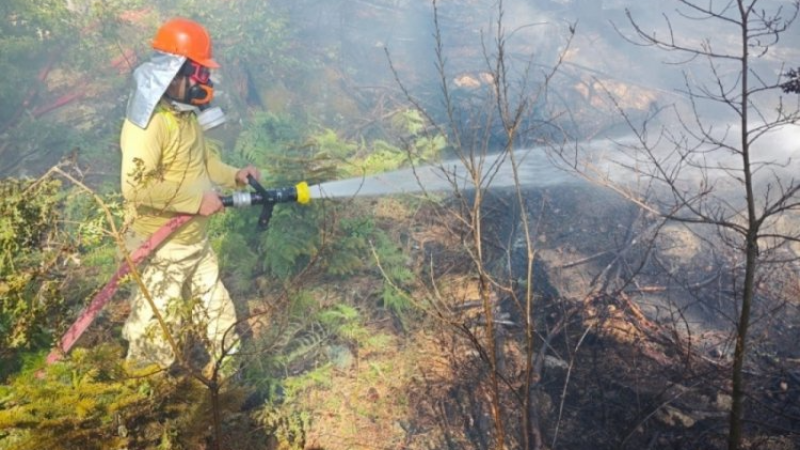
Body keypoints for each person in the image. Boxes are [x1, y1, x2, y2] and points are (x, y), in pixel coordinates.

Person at [119, 17, 258, 375]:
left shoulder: (185, 116)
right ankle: (145, 404)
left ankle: (231, 388)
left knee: (219, 316)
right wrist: (195, 201)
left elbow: (205, 162)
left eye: (203, 73)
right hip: (160, 248)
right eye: (197, 72)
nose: (204, 82)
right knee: (156, 335)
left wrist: (236, 176)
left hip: (195, 242)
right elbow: (136, 187)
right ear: (172, 74)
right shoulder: (148, 126)